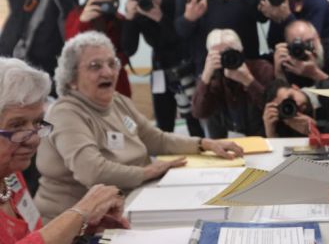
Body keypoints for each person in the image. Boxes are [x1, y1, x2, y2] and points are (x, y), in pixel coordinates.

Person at [33, 32, 243, 220]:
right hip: (75, 223)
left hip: (128, 201)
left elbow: (156, 139)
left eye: (111, 63)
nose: (108, 72)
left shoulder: (117, 101)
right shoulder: (65, 113)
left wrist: (204, 144)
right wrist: (147, 172)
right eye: (95, 66)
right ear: (71, 79)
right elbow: (92, 171)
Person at [0, 57, 128, 244]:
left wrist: (79, 229)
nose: (34, 138)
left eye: (37, 123)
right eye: (17, 125)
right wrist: (79, 214)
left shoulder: (10, 176)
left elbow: (28, 237)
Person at [121, 0, 204, 136]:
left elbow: (180, 37)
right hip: (160, 69)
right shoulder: (139, 9)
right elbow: (129, 49)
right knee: (163, 123)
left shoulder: (174, 2)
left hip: (185, 66)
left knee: (194, 119)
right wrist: (129, 19)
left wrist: (160, 18)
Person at [191, 29, 274, 138]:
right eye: (219, 54)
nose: (226, 57)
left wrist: (249, 81)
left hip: (260, 137)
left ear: (240, 50)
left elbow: (273, 108)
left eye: (229, 52)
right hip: (224, 143)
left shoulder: (261, 69)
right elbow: (199, 113)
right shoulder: (212, 78)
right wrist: (206, 76)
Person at [64, 0, 130, 97]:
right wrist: (83, 21)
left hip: (116, 82)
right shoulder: (76, 15)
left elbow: (127, 52)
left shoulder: (120, 19)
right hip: (85, 83)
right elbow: (69, 48)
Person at [273, 20, 329, 88]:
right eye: (298, 46)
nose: (305, 50)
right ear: (289, 47)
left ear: (318, 36)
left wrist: (314, 73)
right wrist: (279, 73)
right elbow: (288, 97)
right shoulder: (290, 63)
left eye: (308, 42)